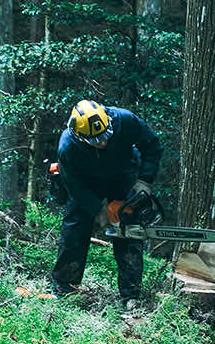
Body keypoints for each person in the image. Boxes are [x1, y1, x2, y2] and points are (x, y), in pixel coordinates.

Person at [51, 99, 162, 304]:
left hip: (123, 174)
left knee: (128, 228)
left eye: (105, 136)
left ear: (108, 122)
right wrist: (99, 210)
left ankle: (131, 294)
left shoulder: (125, 120)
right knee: (75, 227)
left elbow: (153, 145)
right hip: (86, 182)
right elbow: (74, 186)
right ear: (80, 135)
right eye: (95, 140)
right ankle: (65, 287)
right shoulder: (67, 147)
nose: (102, 143)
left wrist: (144, 180)